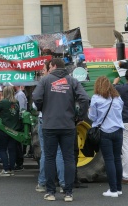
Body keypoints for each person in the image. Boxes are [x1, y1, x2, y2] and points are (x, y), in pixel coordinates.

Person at [32, 57, 89, 202]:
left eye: (49, 66)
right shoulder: (72, 80)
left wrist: (42, 109)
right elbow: (84, 98)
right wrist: (80, 117)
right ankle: (68, 192)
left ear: (53, 65)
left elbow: (36, 97)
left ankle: (51, 192)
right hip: (68, 125)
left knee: (50, 157)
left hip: (49, 125)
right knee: (68, 157)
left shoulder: (45, 80)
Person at [89, 76, 125, 198]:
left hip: (105, 131)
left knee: (109, 160)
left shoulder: (96, 98)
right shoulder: (117, 98)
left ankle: (113, 190)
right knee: (117, 159)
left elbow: (92, 117)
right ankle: (119, 188)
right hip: (118, 131)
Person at [36, 60, 65, 194]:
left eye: (43, 69)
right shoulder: (65, 81)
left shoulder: (45, 81)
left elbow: (35, 102)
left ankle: (42, 183)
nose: (42, 71)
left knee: (46, 153)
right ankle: (63, 183)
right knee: (59, 153)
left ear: (50, 68)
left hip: (46, 120)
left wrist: (42, 109)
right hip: (61, 120)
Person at [0, 86, 21, 176]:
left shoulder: (3, 102)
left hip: (4, 129)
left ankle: (6, 169)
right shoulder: (16, 102)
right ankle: (11, 169)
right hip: (14, 130)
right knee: (12, 150)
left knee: (3, 149)